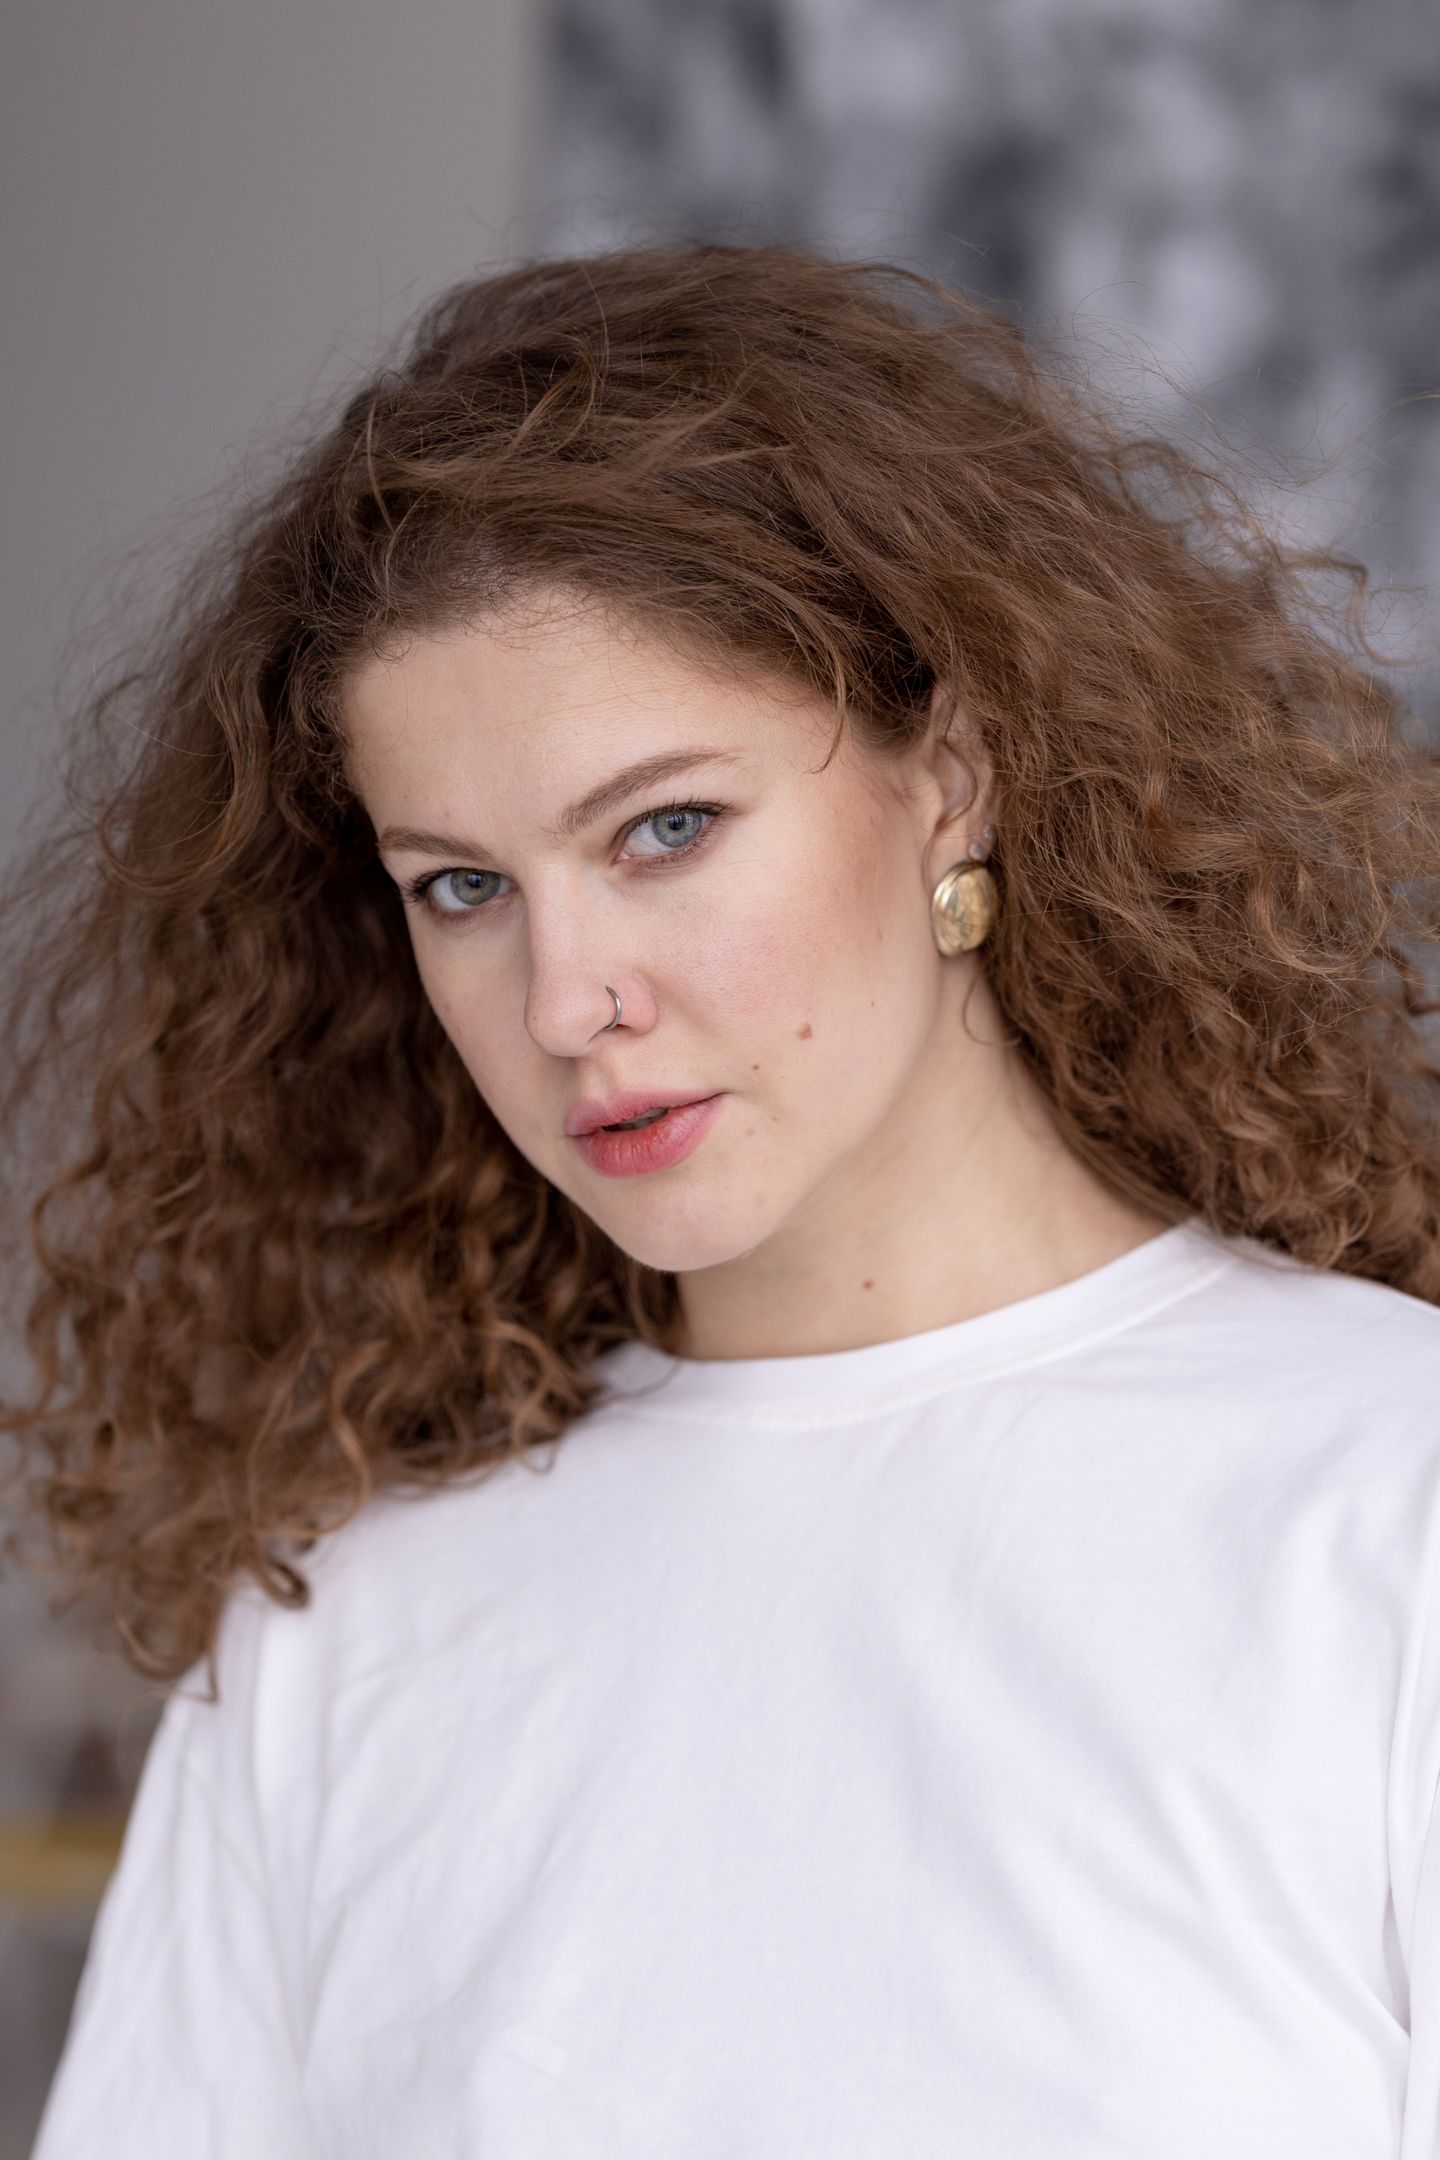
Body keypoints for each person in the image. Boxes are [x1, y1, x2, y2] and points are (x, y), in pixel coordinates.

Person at [5, 238, 1439, 2158]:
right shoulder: (348, 1622)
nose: (565, 999)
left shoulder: (1385, 1506)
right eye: (462, 888)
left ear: (954, 775)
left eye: (664, 830)